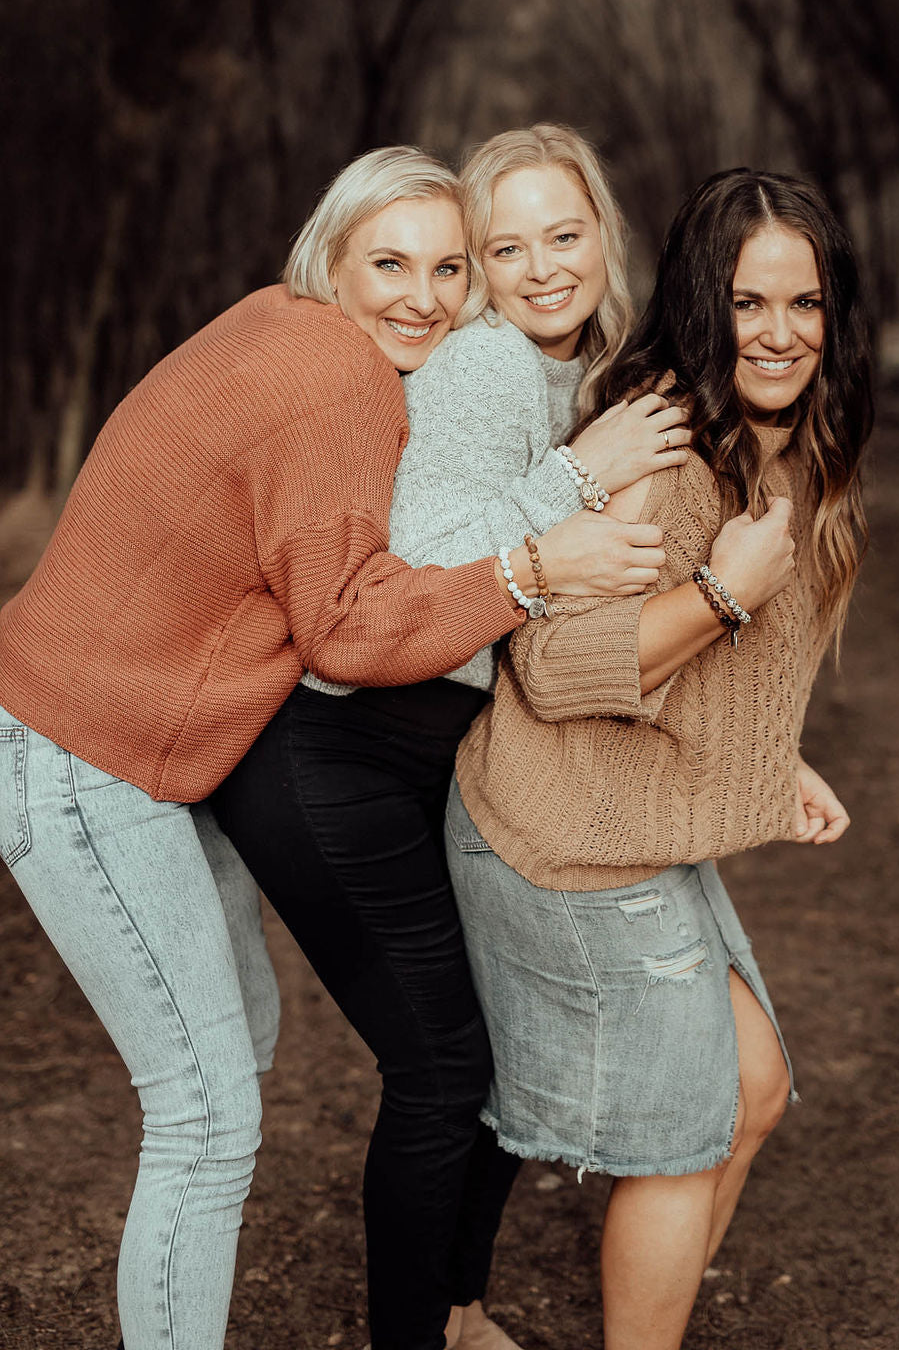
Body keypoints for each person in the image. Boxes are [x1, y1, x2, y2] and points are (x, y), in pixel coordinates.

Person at [0, 144, 656, 1350]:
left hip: (144, 747)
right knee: (202, 1115)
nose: (422, 295)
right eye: (389, 263)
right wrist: (538, 555)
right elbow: (349, 629)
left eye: (450, 269)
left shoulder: (285, 329)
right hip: (80, 748)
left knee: (237, 1053)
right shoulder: (332, 377)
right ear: (329, 258)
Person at [210, 123, 689, 1350]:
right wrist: (580, 474)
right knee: (442, 1075)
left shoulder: (568, 373)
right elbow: (418, 567)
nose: (537, 269)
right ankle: (423, 1333)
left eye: (562, 236)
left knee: (477, 1063)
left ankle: (457, 1311)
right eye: (504, 245)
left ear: (604, 236)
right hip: (337, 759)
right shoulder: (485, 367)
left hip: (412, 758)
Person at [446, 167, 875, 1350]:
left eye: (805, 303)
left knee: (754, 1093)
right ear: (700, 304)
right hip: (563, 833)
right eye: (748, 304)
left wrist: (768, 758)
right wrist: (720, 597)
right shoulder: (665, 453)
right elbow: (560, 666)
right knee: (693, 1129)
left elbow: (731, 671)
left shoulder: (795, 441)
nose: (780, 334)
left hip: (638, 815)